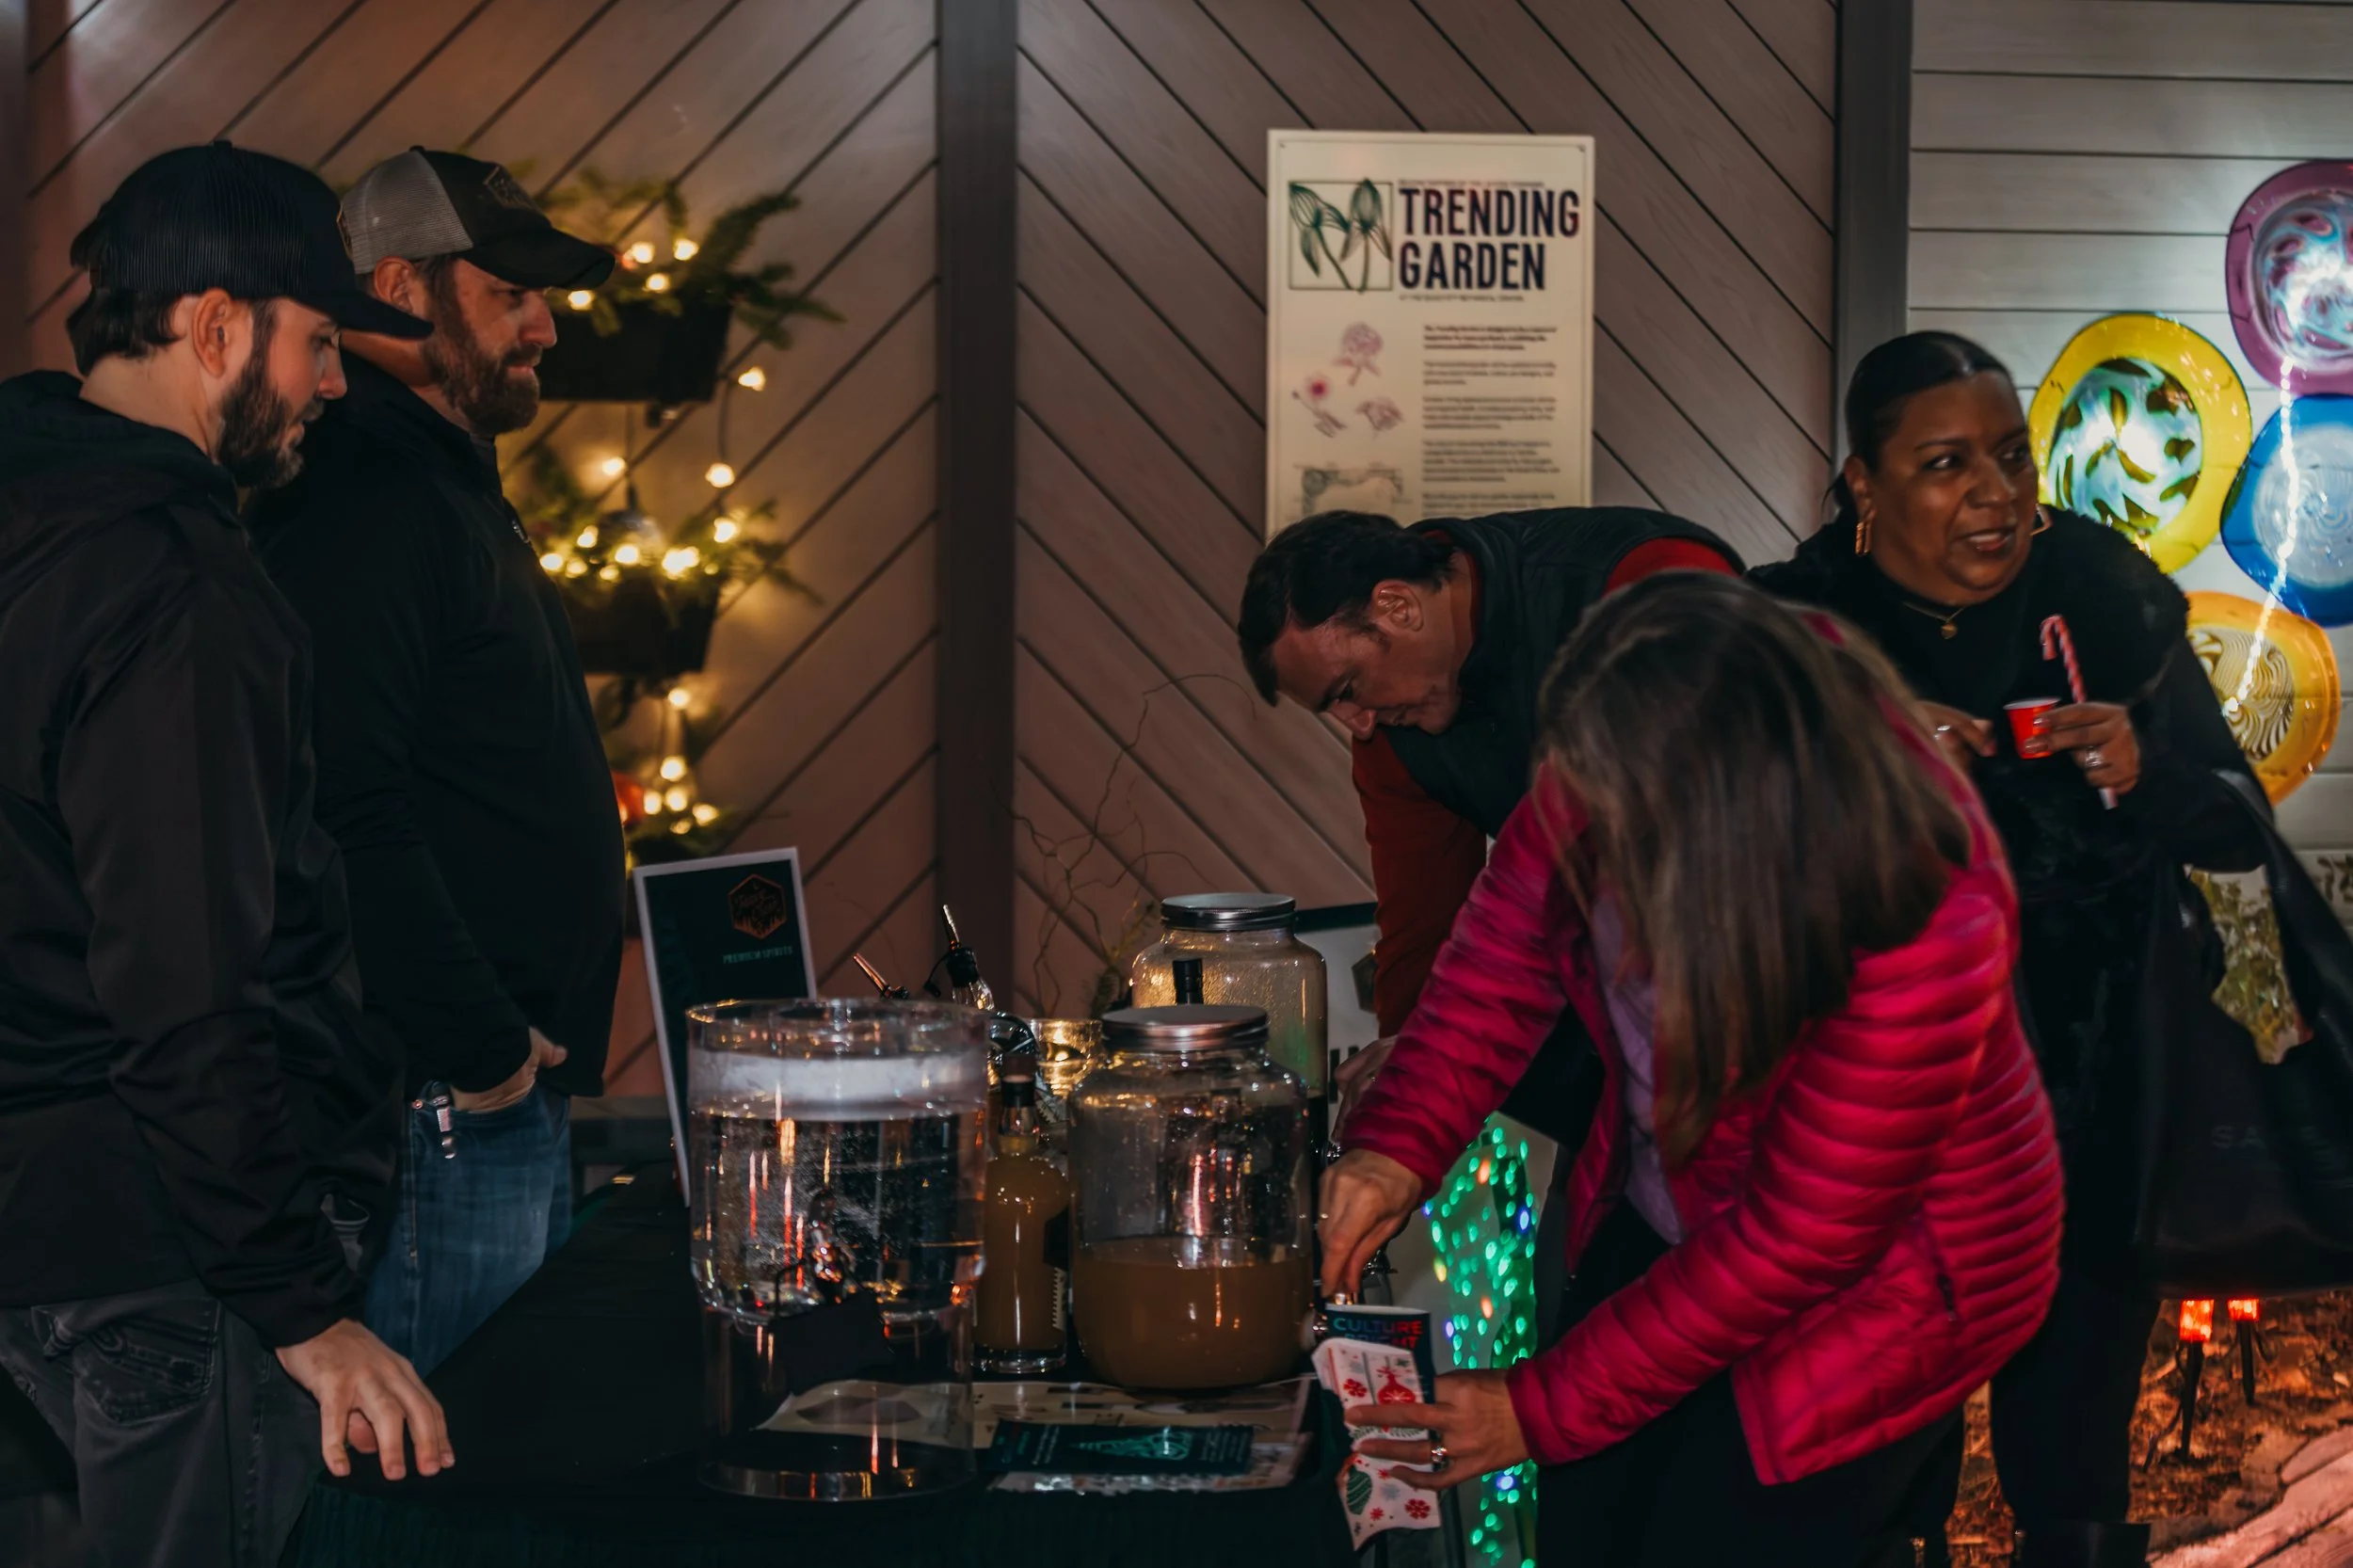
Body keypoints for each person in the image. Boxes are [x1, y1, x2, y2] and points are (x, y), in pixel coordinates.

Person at [1320, 573, 2065, 1568]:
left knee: (1723, 1532)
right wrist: (1396, 1147)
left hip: (1885, 1290)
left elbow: (1794, 1241)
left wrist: (1534, 1408)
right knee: (1592, 1521)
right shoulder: (1642, 724)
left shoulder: (1922, 918)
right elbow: (1503, 951)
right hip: (1680, 1192)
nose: (1595, 834)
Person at [0, 143, 451, 1567]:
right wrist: (301, 1304)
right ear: (214, 326)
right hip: (161, 1258)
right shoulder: (176, 588)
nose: (333, 382)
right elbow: (190, 983)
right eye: (318, 341)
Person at [1753, 331, 2269, 1567]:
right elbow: (1707, 842)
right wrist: (1854, 741)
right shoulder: (1792, 620)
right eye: (1945, 464)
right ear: (1863, 483)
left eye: (2010, 455)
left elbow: (2235, 822)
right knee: (1882, 1454)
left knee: (2075, 1436)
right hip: (1885, 1116)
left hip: (2095, 1089)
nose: (1996, 493)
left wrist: (2147, 765)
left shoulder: (2097, 586)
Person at [247, 149, 624, 1375]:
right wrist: (486, 1050)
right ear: (402, 286)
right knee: (442, 1492)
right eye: (510, 290)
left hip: (488, 1102)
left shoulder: (444, 482)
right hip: (438, 1110)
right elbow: (342, 804)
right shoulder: (364, 495)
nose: (546, 325)